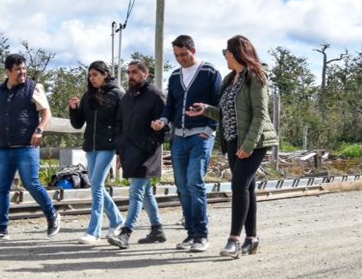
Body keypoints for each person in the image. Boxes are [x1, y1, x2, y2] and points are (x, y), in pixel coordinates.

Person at [187, 35, 278, 259]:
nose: (225, 56)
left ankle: (234, 240)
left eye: (226, 52)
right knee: (247, 188)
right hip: (232, 139)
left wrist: (248, 145)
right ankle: (252, 238)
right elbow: (226, 113)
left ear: (237, 53)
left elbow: (260, 114)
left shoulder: (255, 76)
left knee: (238, 185)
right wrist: (206, 109)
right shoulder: (230, 79)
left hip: (254, 141)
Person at [151, 35, 221, 253]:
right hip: (179, 137)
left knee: (194, 182)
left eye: (183, 54)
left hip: (201, 135)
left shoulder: (209, 72)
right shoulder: (174, 76)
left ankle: (201, 234)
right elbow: (170, 105)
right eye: (176, 55)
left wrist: (210, 129)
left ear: (193, 50)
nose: (180, 59)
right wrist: (163, 120)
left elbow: (220, 103)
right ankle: (190, 233)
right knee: (182, 186)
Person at [0, 54, 61, 242]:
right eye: (18, 70)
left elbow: (46, 113)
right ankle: (1, 229)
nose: (23, 72)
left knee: (32, 183)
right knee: (2, 188)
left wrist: (40, 130)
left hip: (27, 146)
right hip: (4, 147)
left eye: (24, 69)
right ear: (8, 71)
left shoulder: (34, 88)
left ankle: (52, 214)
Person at [108, 61, 168, 248]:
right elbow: (119, 125)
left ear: (145, 73)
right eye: (129, 72)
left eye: (134, 72)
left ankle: (126, 233)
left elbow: (166, 127)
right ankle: (157, 229)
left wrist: (150, 143)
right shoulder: (127, 98)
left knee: (136, 192)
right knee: (146, 193)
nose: (131, 76)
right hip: (129, 152)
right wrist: (120, 150)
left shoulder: (156, 95)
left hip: (147, 154)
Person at [68, 61, 125, 244]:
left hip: (108, 147)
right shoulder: (88, 95)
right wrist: (73, 109)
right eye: (90, 75)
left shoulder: (118, 94)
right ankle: (117, 220)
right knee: (96, 186)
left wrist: (121, 149)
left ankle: (94, 231)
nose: (92, 78)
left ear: (105, 74)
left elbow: (123, 124)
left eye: (95, 74)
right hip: (91, 147)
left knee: (97, 185)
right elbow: (78, 124)